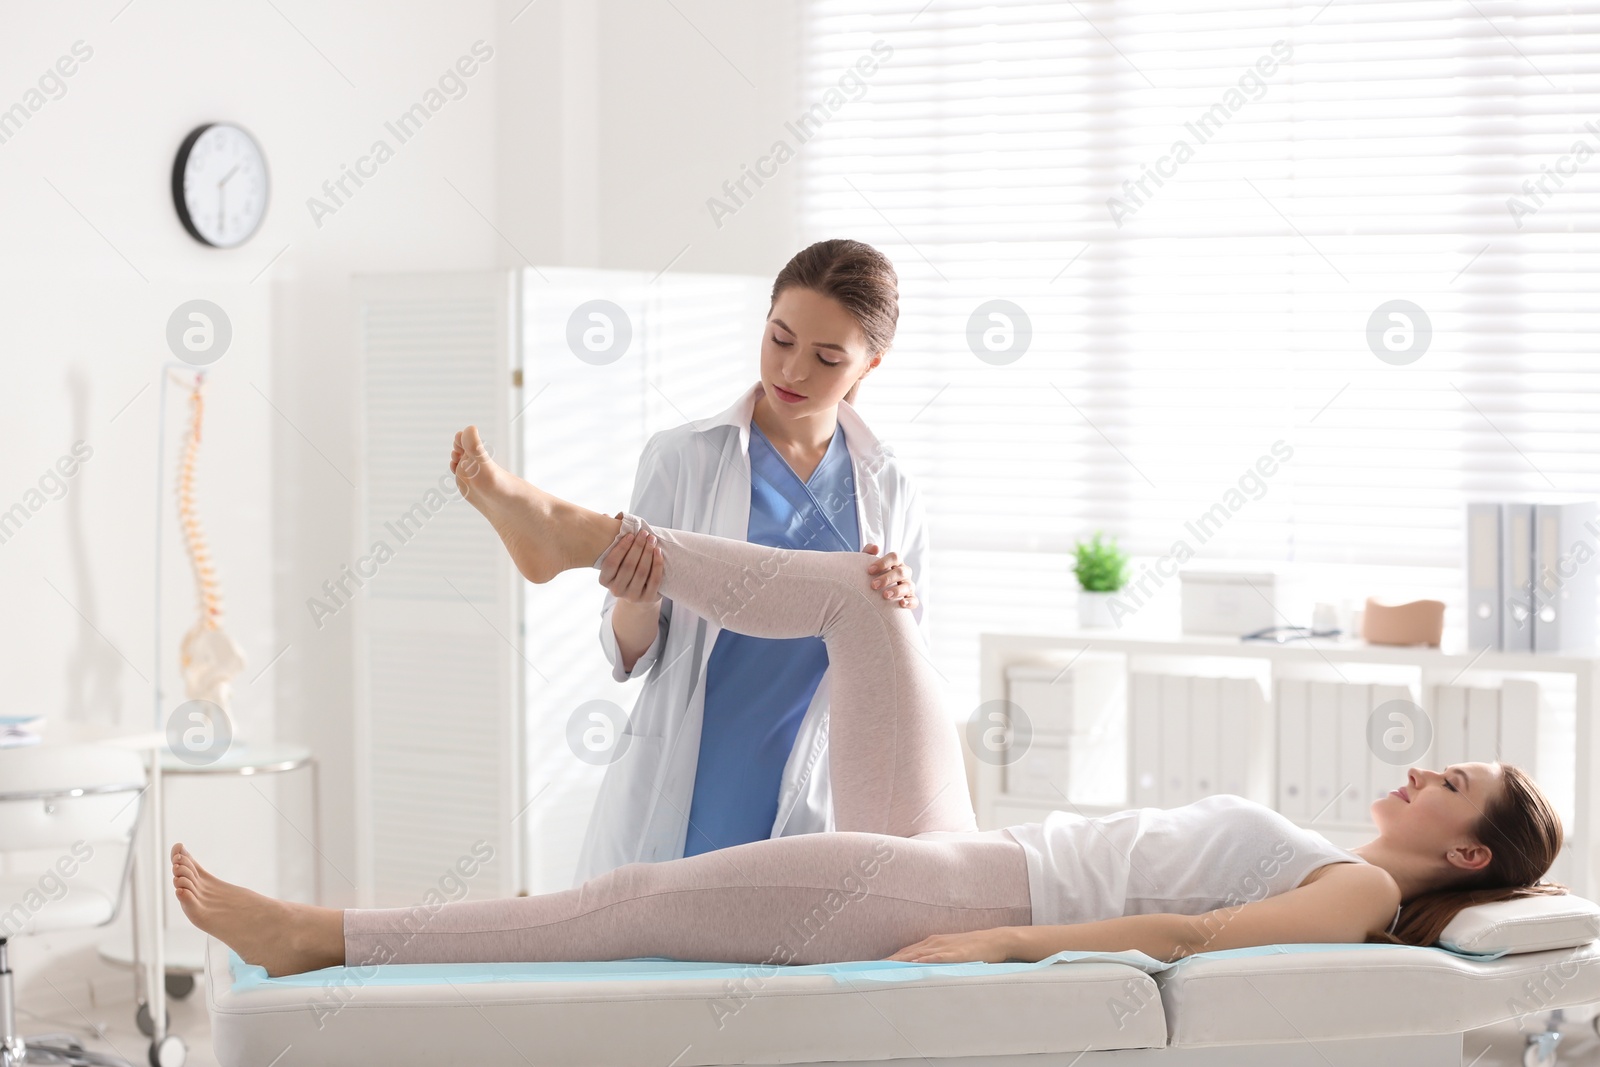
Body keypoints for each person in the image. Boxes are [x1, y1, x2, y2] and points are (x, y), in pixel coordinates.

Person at [170, 429, 1569, 977]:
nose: (1429, 770)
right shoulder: (1347, 859)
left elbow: (1189, 932)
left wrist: (999, 948)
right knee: (863, 587)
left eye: (1457, 783)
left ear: (1465, 851)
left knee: (637, 897)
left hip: (966, 884)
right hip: (974, 839)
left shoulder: (1353, 899)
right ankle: (581, 536)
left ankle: (323, 933)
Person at [584, 238, 935, 877]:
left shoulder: (889, 486)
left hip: (818, 779)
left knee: (784, 963)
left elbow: (908, 676)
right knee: (664, 958)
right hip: (697, 767)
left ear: (870, 365)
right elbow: (628, 654)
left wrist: (900, 605)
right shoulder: (684, 458)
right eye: (780, 339)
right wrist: (637, 595)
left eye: (828, 357)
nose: (793, 371)